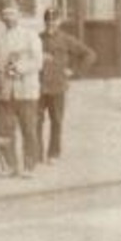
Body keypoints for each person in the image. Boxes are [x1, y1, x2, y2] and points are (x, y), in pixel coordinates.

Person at [0, 0, 44, 176]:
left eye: (11, 13)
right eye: (4, 14)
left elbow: (37, 61)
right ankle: (10, 165)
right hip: (5, 92)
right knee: (5, 131)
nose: (8, 17)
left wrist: (19, 68)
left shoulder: (30, 35)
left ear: (19, 14)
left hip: (26, 91)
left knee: (29, 129)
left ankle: (29, 166)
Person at [39, 9, 96, 164]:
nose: (51, 24)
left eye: (54, 20)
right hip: (39, 86)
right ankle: (37, 153)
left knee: (56, 121)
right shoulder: (37, 39)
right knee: (36, 120)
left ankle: (53, 154)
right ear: (45, 22)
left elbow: (89, 54)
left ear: (59, 22)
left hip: (58, 86)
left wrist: (74, 71)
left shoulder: (66, 39)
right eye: (48, 21)